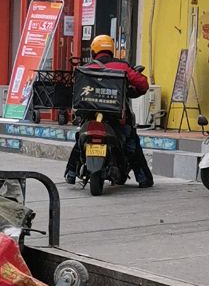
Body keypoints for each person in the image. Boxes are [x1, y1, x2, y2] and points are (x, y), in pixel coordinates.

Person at [65, 34, 153, 187]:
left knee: (80, 140)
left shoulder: (85, 69)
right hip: (118, 119)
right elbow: (143, 84)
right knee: (132, 145)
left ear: (93, 51)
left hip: (90, 118)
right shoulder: (122, 66)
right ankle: (143, 179)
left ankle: (71, 173)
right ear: (112, 50)